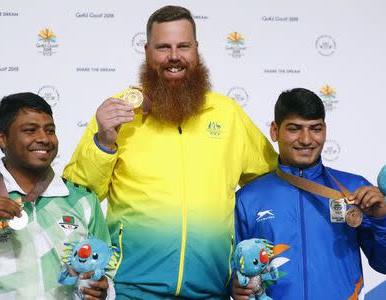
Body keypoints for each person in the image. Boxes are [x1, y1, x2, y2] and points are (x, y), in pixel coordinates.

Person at [63, 5, 277, 299]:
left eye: (183, 46)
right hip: (130, 290)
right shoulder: (118, 112)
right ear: (147, 50)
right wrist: (103, 142)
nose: (174, 56)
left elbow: (269, 187)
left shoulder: (227, 114)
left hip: (212, 290)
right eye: (163, 47)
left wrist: (249, 260)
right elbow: (79, 195)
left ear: (197, 49)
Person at [233, 88, 386, 300]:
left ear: (325, 130)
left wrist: (383, 219)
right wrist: (236, 286)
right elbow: (236, 273)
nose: (306, 140)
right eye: (294, 129)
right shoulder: (248, 200)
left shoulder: (355, 188)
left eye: (315, 129)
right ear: (275, 131)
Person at [0, 93, 115, 299]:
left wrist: (104, 290)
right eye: (30, 130)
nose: (44, 138)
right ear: (2, 138)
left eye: (50, 130)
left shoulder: (83, 199)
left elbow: (106, 272)